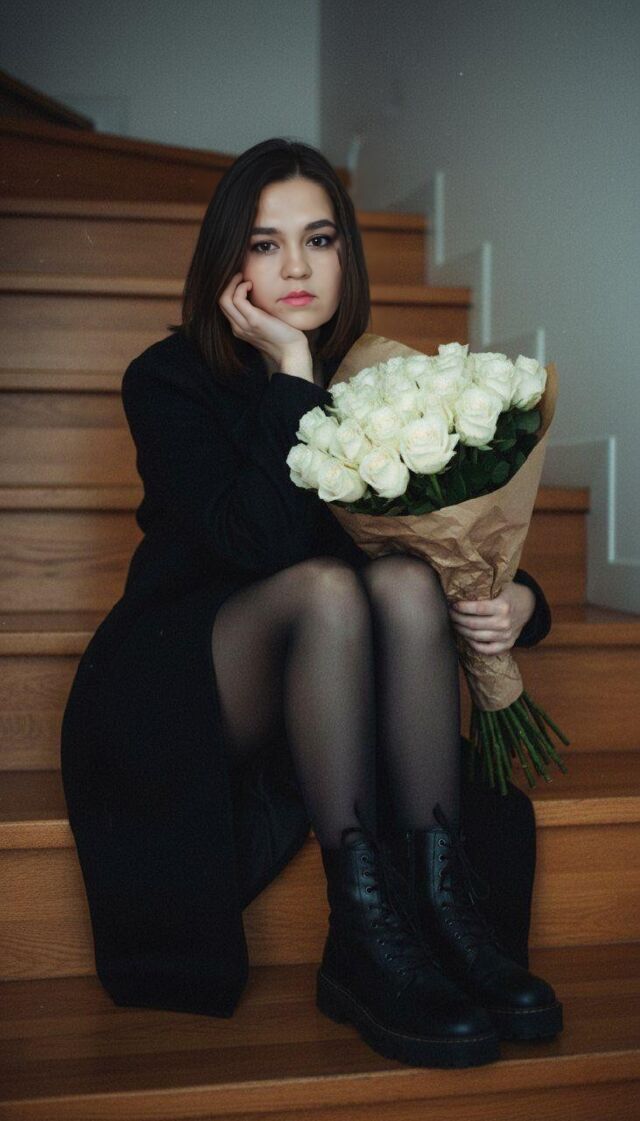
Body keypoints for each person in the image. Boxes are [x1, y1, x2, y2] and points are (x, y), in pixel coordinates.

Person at [60, 137, 562, 1070]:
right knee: (330, 588)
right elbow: (259, 546)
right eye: (265, 243)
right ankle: (364, 927)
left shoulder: (379, 379)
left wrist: (521, 602)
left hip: (334, 672)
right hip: (190, 672)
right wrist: (291, 371)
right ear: (228, 263)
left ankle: (440, 909)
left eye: (319, 239)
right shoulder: (166, 380)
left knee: (404, 581)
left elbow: (436, 539)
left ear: (346, 256)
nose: (296, 266)